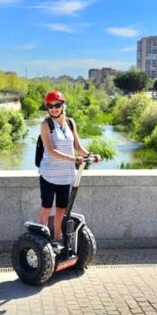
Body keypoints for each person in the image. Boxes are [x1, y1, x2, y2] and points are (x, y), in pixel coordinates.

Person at [37, 90, 99, 244]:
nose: (54, 109)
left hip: (65, 176)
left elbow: (77, 146)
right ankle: (41, 241)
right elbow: (50, 151)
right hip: (49, 175)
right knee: (46, 208)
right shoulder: (46, 125)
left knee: (61, 210)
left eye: (57, 105)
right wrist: (73, 159)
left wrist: (91, 154)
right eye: (50, 106)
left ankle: (57, 239)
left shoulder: (70, 123)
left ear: (63, 105)